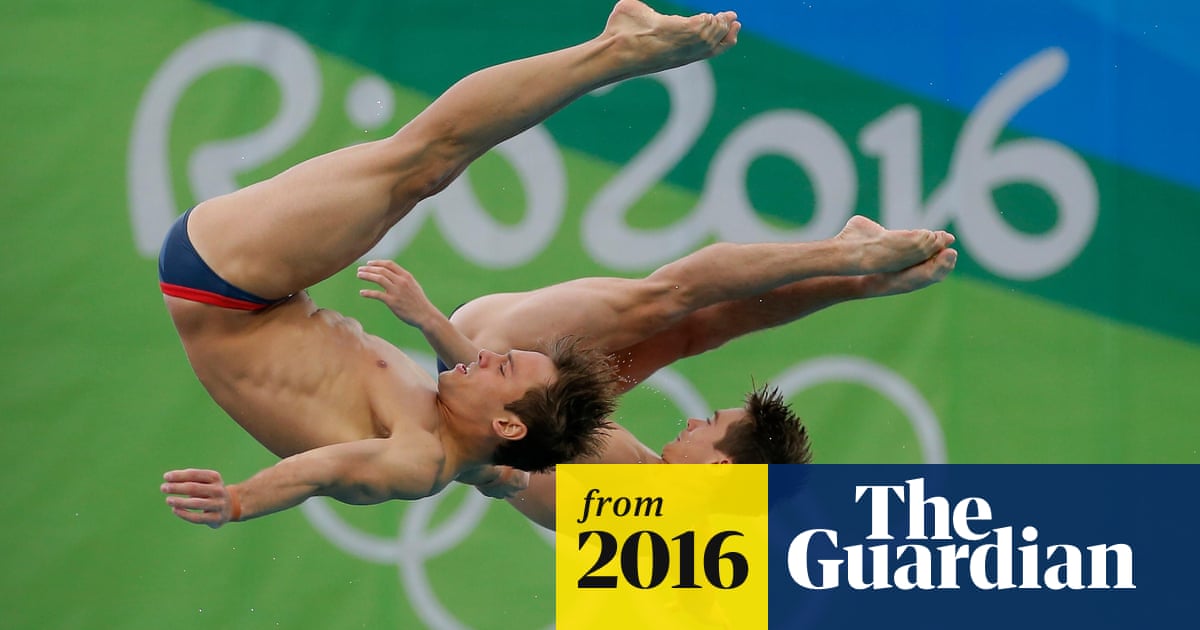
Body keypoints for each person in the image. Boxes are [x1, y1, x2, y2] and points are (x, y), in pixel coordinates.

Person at [158, 0, 745, 528]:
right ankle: (615, 47)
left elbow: (321, 472)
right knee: (422, 168)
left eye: (504, 368)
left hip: (222, 283)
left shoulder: (417, 461)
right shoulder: (473, 454)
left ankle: (617, 48)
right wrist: (431, 327)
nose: (484, 352)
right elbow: (500, 468)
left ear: (508, 423)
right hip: (264, 292)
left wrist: (241, 501)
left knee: (424, 162)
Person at [357, 215, 958, 529]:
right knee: (694, 328)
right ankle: (857, 278)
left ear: (721, 468)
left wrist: (426, 318)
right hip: (500, 373)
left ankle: (846, 257)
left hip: (486, 356)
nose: (695, 418)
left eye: (711, 423)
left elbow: (493, 451)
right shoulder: (657, 494)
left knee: (667, 299)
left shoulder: (629, 497)